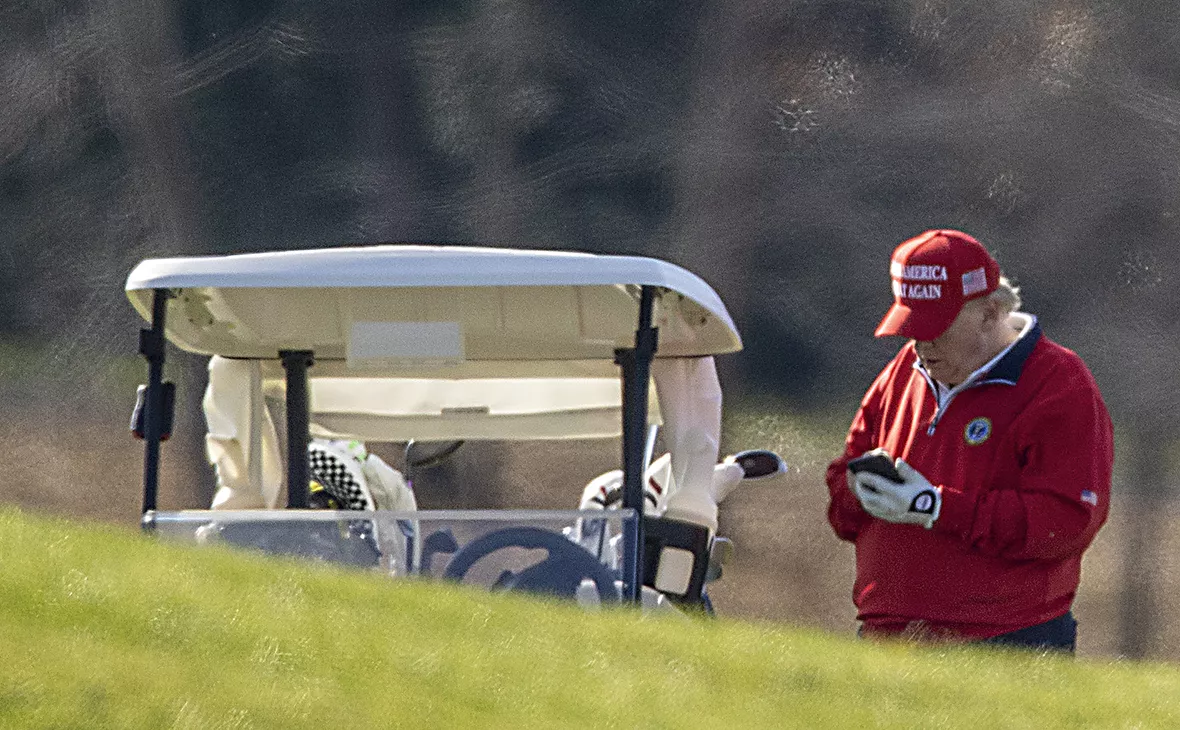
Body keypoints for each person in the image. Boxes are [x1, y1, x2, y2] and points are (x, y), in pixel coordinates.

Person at [825, 229, 1113, 652]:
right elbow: (843, 491)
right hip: (885, 635)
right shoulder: (905, 368)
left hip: (1005, 640)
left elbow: (1066, 522)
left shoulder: (1059, 383)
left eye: (936, 326)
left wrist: (937, 507)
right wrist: (862, 491)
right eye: (911, 327)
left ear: (989, 312)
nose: (922, 343)